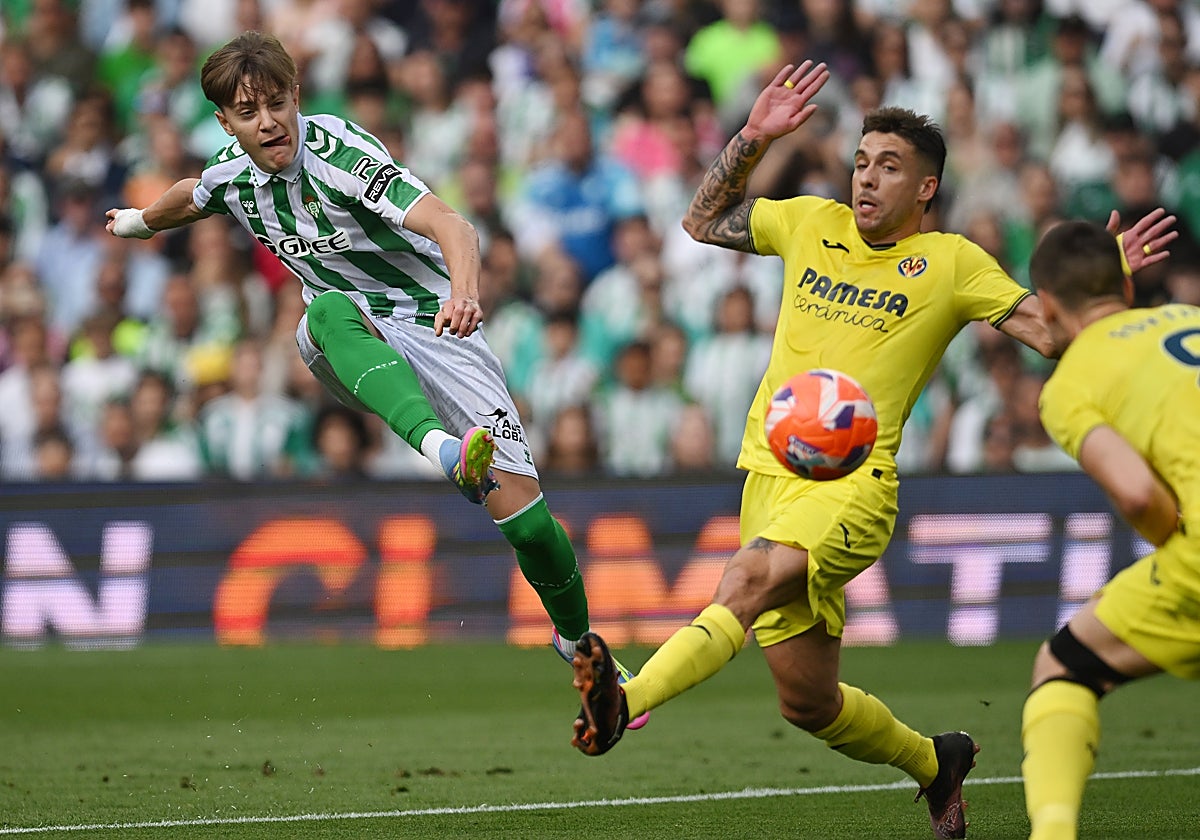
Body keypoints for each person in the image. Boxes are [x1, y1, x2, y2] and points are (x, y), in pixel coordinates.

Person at [567, 59, 1175, 839]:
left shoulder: (952, 262)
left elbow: (1049, 335)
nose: (866, 179)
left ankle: (625, 701)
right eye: (861, 162)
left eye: (889, 167)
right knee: (808, 702)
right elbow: (699, 222)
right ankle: (937, 761)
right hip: (770, 476)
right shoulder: (806, 221)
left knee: (744, 578)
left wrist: (1101, 284)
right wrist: (752, 137)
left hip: (856, 482)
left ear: (925, 188)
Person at [105, 31, 648, 702]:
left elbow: (454, 226)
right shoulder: (234, 175)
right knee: (328, 307)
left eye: (277, 103)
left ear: (296, 97)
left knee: (532, 527)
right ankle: (443, 449)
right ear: (225, 122)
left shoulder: (341, 155)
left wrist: (465, 294)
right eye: (248, 113)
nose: (268, 122)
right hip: (350, 337)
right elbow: (192, 194)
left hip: (438, 326)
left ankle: (580, 645)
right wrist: (136, 221)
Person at [1020, 220, 1188, 840]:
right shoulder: (1188, 318)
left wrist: (1173, 537)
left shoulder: (1071, 383)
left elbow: (1139, 492)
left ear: (1050, 307)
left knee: (1065, 669)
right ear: (1124, 281)